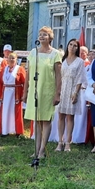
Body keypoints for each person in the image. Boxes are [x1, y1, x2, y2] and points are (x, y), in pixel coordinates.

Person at [22, 26, 62, 159]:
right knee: (37, 121)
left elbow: (59, 76)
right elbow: (28, 74)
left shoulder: (55, 54)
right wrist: (25, 92)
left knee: (46, 120)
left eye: (45, 34)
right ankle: (36, 149)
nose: (42, 36)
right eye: (40, 34)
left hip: (47, 91)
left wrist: (57, 93)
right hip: (34, 90)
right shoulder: (33, 53)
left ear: (50, 37)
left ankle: (42, 151)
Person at [55, 39, 86, 152]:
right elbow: (58, 76)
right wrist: (57, 91)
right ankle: (60, 141)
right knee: (61, 116)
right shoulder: (62, 59)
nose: (72, 47)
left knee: (70, 116)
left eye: (75, 46)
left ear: (77, 48)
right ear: (67, 46)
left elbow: (80, 78)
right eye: (70, 45)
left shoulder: (79, 61)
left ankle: (68, 142)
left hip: (72, 88)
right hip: (62, 88)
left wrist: (76, 93)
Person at [0, 52, 26, 136]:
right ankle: (5, 130)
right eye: (9, 58)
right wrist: (0, 95)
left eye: (13, 58)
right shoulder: (4, 69)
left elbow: (24, 82)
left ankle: (17, 131)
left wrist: (23, 94)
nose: (11, 60)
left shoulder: (20, 69)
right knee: (5, 111)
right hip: (5, 92)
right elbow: (0, 83)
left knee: (16, 112)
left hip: (15, 93)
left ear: (16, 60)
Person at [72, 46, 93, 144]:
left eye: (83, 52)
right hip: (75, 90)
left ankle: (80, 136)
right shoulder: (75, 62)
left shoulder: (89, 64)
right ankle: (72, 134)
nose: (81, 54)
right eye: (79, 52)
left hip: (84, 91)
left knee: (81, 115)